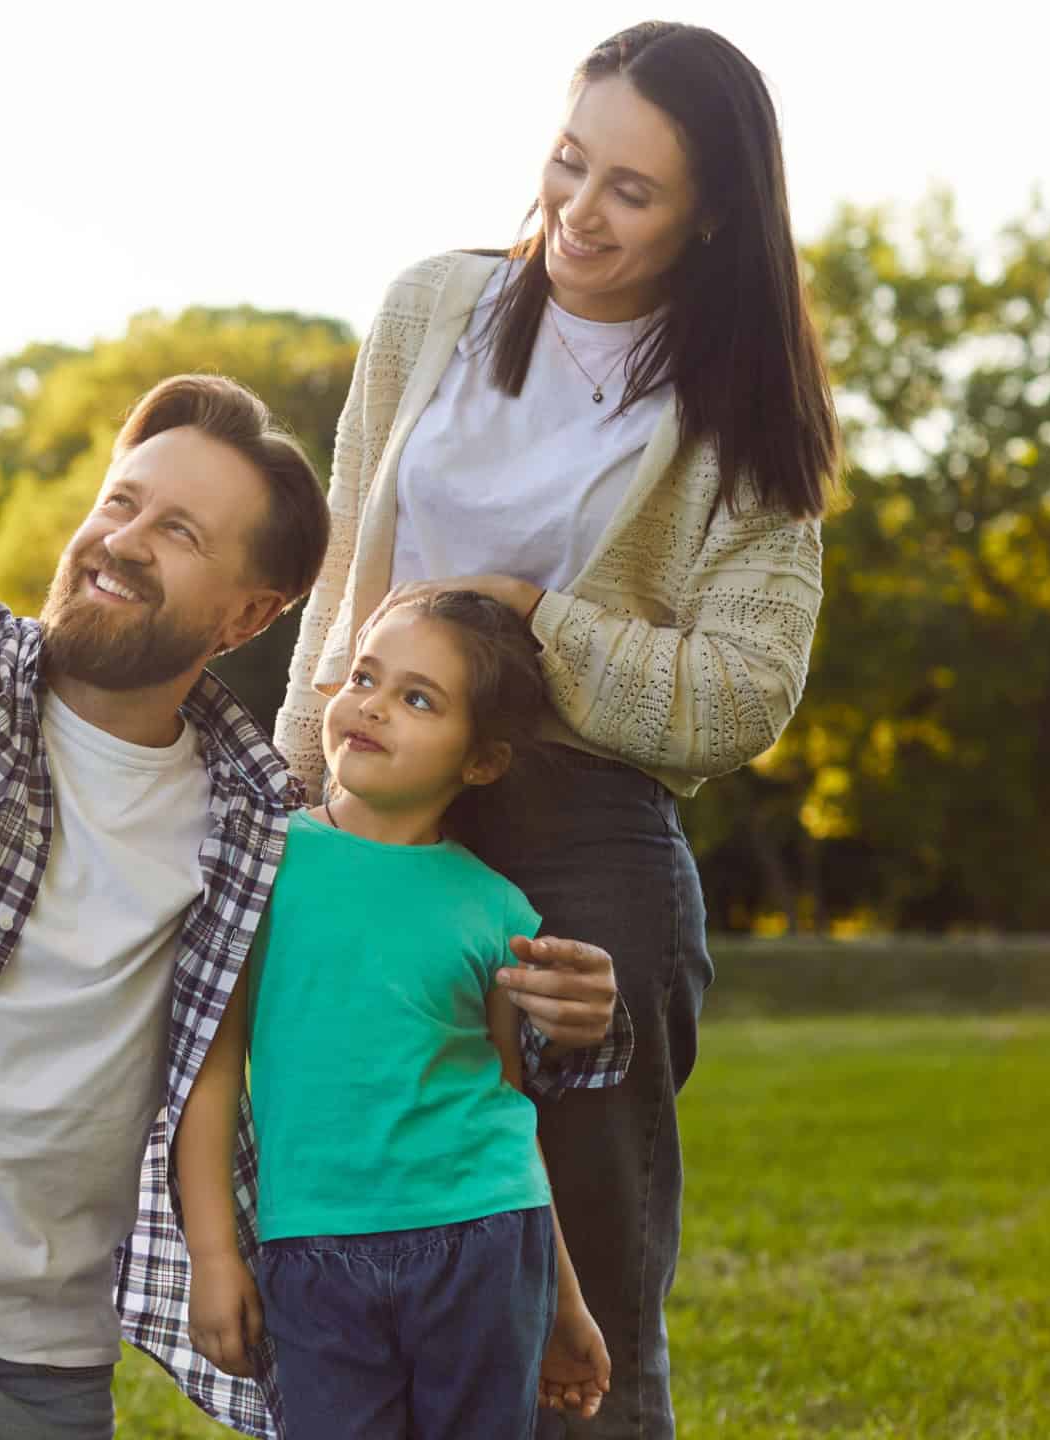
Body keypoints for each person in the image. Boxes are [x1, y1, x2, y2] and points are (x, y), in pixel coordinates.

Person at [0, 351, 630, 1436]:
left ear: (248, 615)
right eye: (120, 503)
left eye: (180, 533)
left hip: (29, 1379)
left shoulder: (257, 834)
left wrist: (585, 1017)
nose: (123, 541)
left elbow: (439, 1031)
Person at [278, 22, 840, 1438]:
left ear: (711, 214)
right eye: (569, 165)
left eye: (631, 192)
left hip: (582, 833)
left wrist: (537, 615)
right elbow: (351, 556)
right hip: (380, 799)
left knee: (571, 1264)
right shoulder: (433, 311)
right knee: (351, 1209)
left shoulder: (743, 416)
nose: (579, 215)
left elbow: (741, 699)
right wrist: (302, 776)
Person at [179, 585, 612, 1439]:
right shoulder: (261, 867)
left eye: (418, 699)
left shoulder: (500, 911)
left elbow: (510, 1105)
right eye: (366, 678)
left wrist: (564, 1304)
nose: (372, 707)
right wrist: (214, 1255)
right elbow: (211, 1065)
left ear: (480, 761)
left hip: (484, 1239)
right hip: (312, 1250)